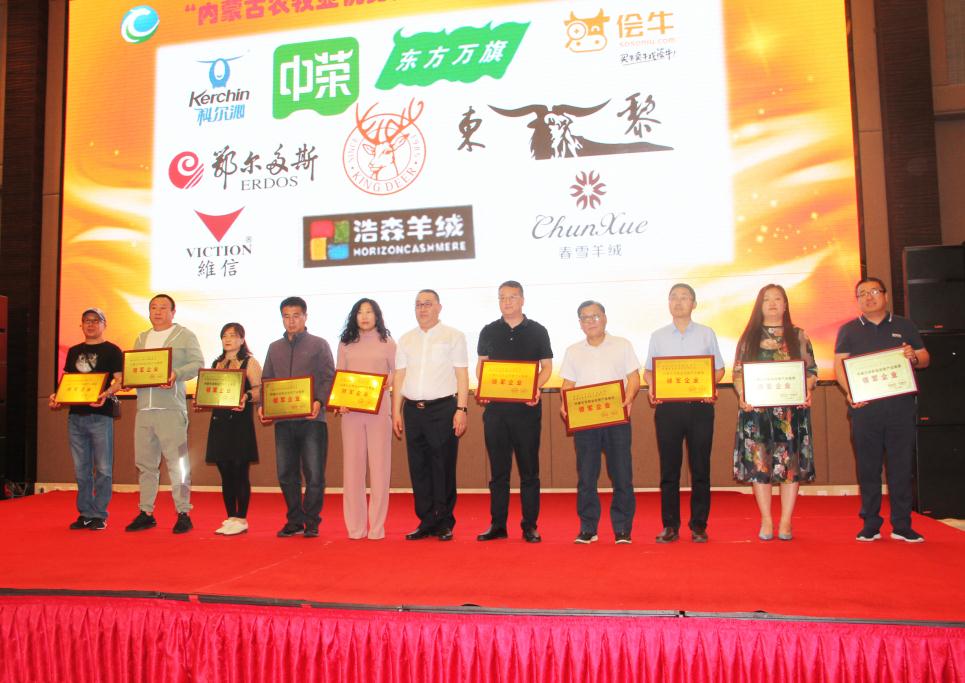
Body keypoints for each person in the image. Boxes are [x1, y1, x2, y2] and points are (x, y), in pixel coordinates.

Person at [834, 277, 930, 542]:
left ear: (885, 295)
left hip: (900, 409)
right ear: (857, 300)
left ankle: (902, 525)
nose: (868, 297)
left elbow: (924, 358)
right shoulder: (849, 330)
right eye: (862, 293)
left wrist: (913, 356)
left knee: (901, 467)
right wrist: (850, 394)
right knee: (868, 468)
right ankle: (871, 524)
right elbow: (839, 365)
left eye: (874, 291)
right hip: (865, 411)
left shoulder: (904, 325)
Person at [732, 285, 817, 541]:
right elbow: (738, 373)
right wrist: (743, 394)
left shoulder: (799, 335)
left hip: (790, 415)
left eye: (777, 299)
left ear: (785, 304)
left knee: (790, 466)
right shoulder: (749, 337)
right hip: (756, 413)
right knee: (760, 465)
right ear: (759, 305)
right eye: (766, 299)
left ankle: (786, 521)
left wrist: (807, 389)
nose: (772, 303)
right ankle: (767, 520)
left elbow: (811, 372)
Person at [643, 283, 725, 544]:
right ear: (668, 304)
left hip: (700, 407)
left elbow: (719, 369)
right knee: (669, 469)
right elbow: (649, 371)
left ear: (694, 304)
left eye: (684, 297)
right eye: (674, 298)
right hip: (668, 409)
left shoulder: (706, 333)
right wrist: (653, 387)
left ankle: (699, 525)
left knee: (700, 468)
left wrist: (710, 386)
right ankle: (670, 525)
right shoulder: (658, 336)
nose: (678, 302)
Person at [475, 281, 552, 543]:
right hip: (496, 412)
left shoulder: (538, 331)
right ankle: (498, 524)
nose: (506, 302)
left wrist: (535, 388)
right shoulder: (488, 330)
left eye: (512, 297)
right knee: (498, 472)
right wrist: (484, 386)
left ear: (522, 300)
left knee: (529, 471)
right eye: (502, 298)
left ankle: (529, 525)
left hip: (526, 412)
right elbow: (481, 366)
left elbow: (547, 368)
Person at [559, 300, 640, 544]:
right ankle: (588, 528)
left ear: (604, 318)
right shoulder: (573, 351)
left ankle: (622, 529)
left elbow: (633, 378)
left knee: (622, 475)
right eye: (585, 318)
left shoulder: (622, 345)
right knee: (586, 476)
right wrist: (565, 404)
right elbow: (568, 384)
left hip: (616, 419)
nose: (590, 321)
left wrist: (629, 397)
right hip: (585, 422)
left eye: (595, 316)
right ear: (580, 323)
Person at [392, 289, 469, 541]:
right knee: (419, 467)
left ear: (439, 307)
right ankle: (426, 520)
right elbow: (400, 376)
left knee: (443, 465)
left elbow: (461, 375)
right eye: (418, 304)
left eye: (427, 304)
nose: (422, 309)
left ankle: (444, 521)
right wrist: (396, 412)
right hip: (413, 411)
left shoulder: (453, 336)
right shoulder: (405, 339)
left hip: (443, 409)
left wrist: (461, 409)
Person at [125, 294, 204, 533]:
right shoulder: (141, 338)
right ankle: (146, 512)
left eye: (163, 307)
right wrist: (128, 379)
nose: (157, 312)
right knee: (145, 464)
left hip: (171, 409)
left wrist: (176, 373)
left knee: (178, 463)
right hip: (144, 410)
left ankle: (183, 512)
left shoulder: (184, 335)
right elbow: (134, 368)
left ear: (173, 312)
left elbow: (198, 364)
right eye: (153, 307)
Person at [259, 296, 335, 538]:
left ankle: (311, 520)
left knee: (314, 474)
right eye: (286, 316)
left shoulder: (319, 344)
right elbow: (267, 380)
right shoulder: (274, 348)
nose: (291, 321)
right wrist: (263, 406)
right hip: (284, 421)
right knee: (286, 473)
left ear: (305, 317)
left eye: (296, 316)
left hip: (312, 420)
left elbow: (328, 377)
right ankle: (294, 520)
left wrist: (319, 401)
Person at [49, 308, 123, 530]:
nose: (90, 324)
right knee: (81, 470)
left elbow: (120, 381)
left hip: (101, 415)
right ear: (81, 325)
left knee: (103, 469)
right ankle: (85, 514)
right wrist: (57, 396)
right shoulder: (74, 351)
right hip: (76, 416)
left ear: (104, 324)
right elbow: (68, 381)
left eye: (95, 320)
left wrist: (106, 393)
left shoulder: (112, 350)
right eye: (86, 321)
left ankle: (99, 514)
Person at [336, 298, 396, 540]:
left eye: (369, 312)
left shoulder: (388, 342)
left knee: (380, 469)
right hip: (351, 413)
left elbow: (397, 373)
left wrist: (382, 384)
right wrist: (340, 400)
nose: (364, 316)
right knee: (352, 470)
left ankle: (377, 527)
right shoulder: (345, 343)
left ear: (377, 316)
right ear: (354, 316)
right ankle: (356, 527)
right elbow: (340, 374)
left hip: (379, 410)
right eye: (360, 312)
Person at [197, 323, 261, 536]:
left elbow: (259, 390)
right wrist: (201, 399)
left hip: (240, 423)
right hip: (220, 422)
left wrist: (246, 397)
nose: (228, 339)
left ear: (242, 339)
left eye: (233, 335)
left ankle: (241, 518)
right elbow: (210, 391)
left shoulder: (250, 362)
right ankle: (231, 517)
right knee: (225, 471)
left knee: (240, 470)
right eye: (224, 335)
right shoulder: (217, 363)